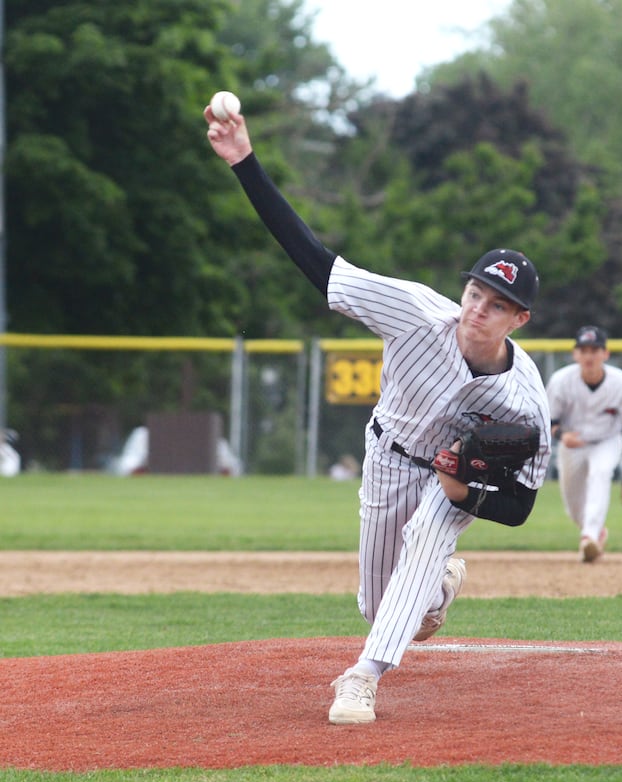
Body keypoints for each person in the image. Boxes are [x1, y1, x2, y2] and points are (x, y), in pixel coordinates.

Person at [205, 104, 551, 724]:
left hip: (452, 478)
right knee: (381, 603)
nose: (478, 310)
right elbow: (318, 263)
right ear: (463, 289)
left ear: (519, 319)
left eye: (497, 305)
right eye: (475, 293)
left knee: (426, 536)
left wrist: (463, 492)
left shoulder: (526, 399)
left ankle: (361, 677)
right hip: (387, 455)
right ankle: (437, 592)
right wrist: (244, 163)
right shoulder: (415, 312)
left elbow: (521, 508)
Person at [546, 326, 622, 562]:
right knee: (573, 506)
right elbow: (550, 420)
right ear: (575, 354)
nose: (589, 355)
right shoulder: (561, 381)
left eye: (595, 350)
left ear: (606, 354)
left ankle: (588, 538)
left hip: (607, 441)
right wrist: (562, 436)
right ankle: (595, 531)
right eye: (583, 350)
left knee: (600, 474)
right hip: (573, 444)